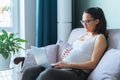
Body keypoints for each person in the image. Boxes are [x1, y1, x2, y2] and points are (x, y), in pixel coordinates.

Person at [22, 7, 108, 80]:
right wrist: (67, 52)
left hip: (77, 72)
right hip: (64, 67)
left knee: (48, 73)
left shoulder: (99, 38)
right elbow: (79, 52)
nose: (84, 25)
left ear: (97, 21)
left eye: (87, 21)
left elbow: (92, 64)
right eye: (83, 21)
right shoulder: (83, 36)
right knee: (30, 71)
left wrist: (67, 64)